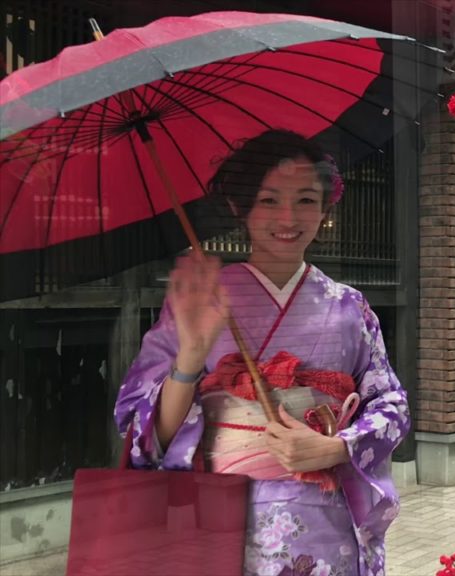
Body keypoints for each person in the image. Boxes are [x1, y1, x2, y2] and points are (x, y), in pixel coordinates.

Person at [114, 130, 408, 576]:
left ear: (325, 208)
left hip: (324, 525)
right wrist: (191, 356)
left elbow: (392, 404)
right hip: (220, 519)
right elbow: (146, 433)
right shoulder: (201, 300)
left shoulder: (350, 307)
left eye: (306, 200)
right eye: (269, 200)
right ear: (239, 206)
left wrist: (335, 448)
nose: (288, 217)